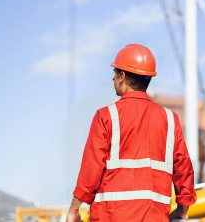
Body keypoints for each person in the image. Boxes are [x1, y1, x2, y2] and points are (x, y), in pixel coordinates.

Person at [65, 44, 197, 222]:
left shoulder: (106, 116)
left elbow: (91, 168)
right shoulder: (170, 119)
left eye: (114, 73)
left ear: (122, 76)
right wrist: (182, 209)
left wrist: (74, 209)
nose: (112, 79)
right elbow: (184, 169)